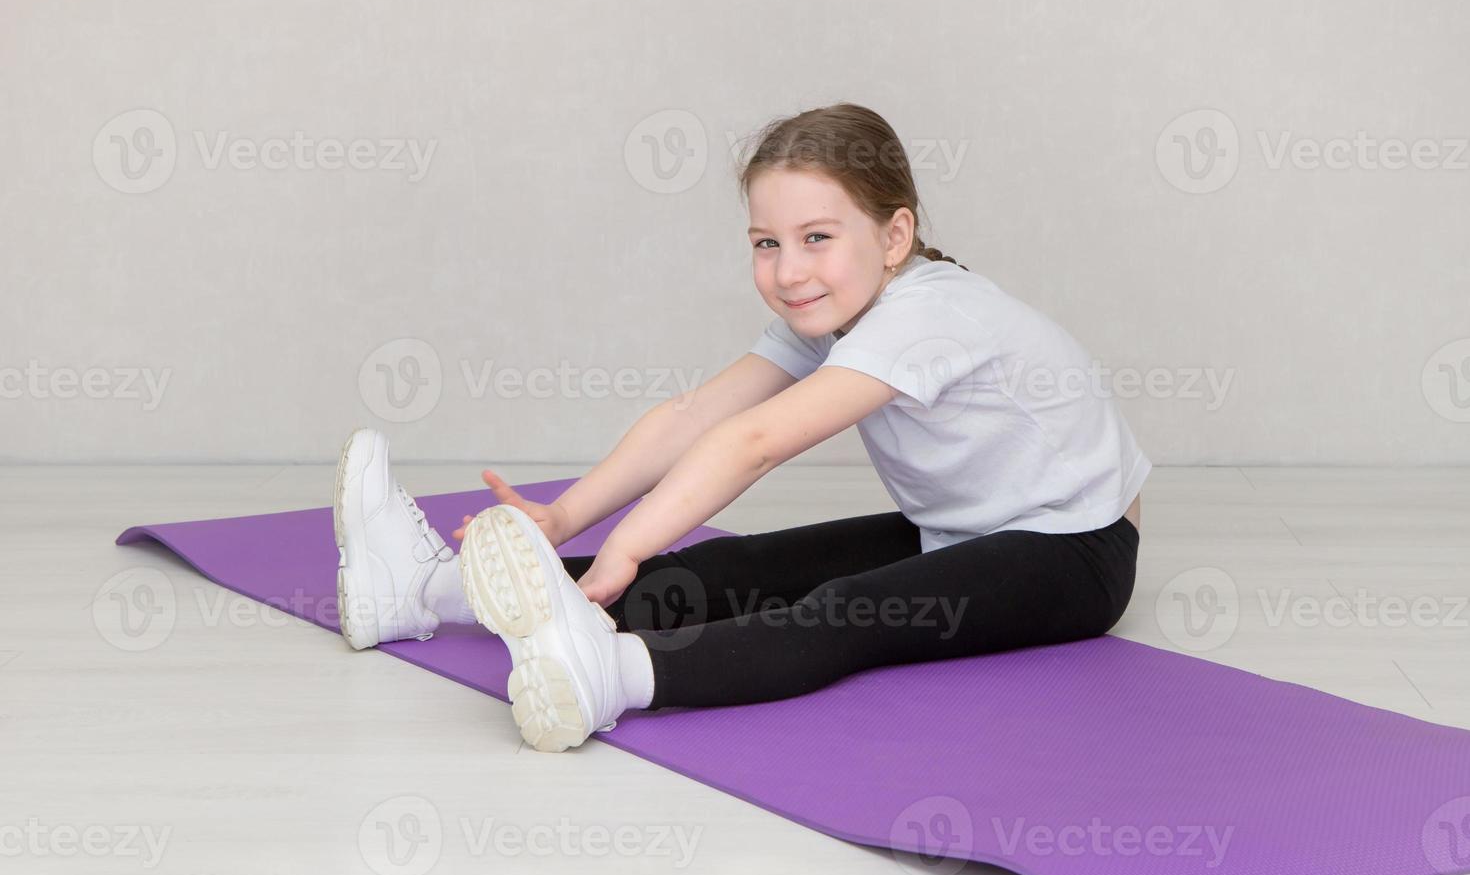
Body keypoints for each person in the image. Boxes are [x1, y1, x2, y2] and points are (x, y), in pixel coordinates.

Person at [334, 102, 1150, 753]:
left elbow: (754, 442)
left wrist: (627, 547)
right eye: (767, 243)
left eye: (817, 239)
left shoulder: (928, 314)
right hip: (964, 527)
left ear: (894, 236)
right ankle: (420, 591)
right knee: (739, 564)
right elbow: (696, 416)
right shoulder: (833, 310)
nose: (789, 270)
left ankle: (614, 677)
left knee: (849, 611)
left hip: (1075, 549)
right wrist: (565, 518)